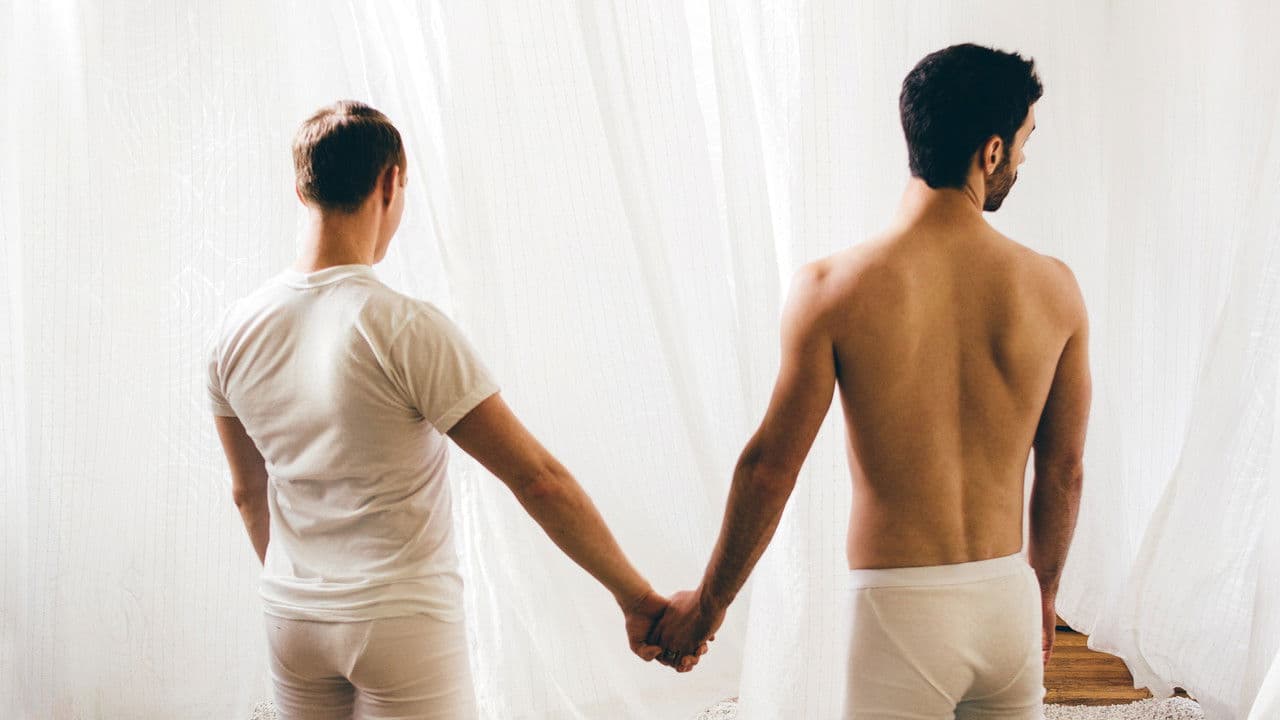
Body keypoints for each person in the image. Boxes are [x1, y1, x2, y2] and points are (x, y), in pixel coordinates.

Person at [207, 101, 698, 720]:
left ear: (301, 189)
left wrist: (311, 595)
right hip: (398, 619)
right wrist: (637, 598)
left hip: (291, 617)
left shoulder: (234, 331)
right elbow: (537, 480)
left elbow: (247, 494)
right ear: (391, 183)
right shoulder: (401, 326)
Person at [651, 44, 1089, 719]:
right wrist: (1044, 594)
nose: (1023, 162)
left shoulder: (832, 289)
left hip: (899, 612)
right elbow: (1062, 471)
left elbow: (770, 469)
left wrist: (708, 608)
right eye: (1025, 143)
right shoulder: (1055, 289)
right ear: (993, 152)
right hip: (1005, 597)